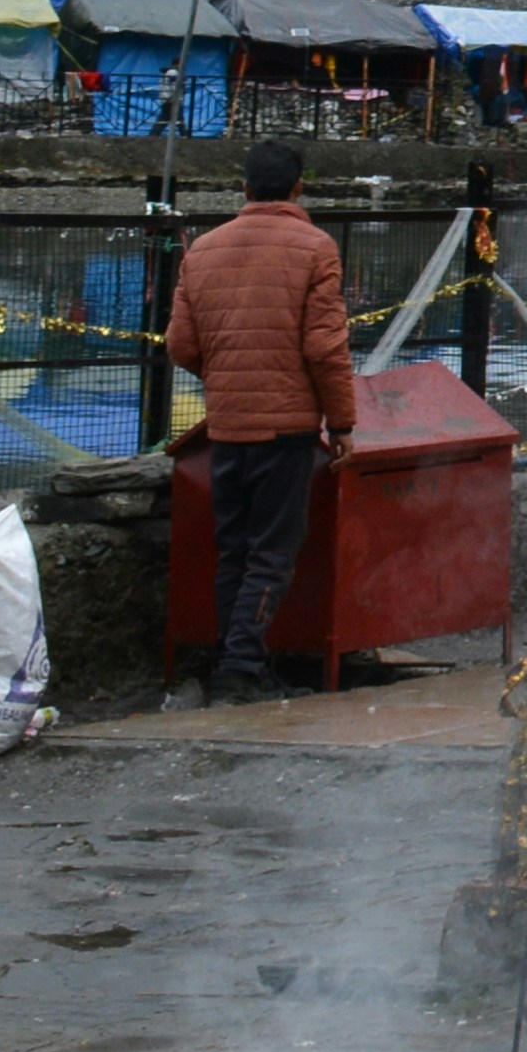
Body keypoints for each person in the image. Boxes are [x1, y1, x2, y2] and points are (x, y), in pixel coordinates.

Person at [164, 139, 356, 700]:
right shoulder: (315, 247)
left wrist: (224, 379)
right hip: (287, 429)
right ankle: (241, 669)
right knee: (272, 553)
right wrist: (341, 422)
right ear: (299, 187)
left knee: (236, 550)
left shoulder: (202, 249)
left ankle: (236, 660)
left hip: (225, 427)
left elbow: (180, 346)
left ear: (244, 189)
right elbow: (325, 348)